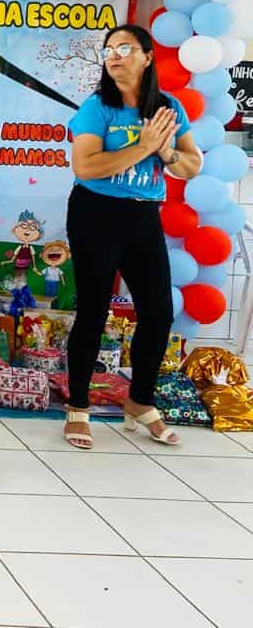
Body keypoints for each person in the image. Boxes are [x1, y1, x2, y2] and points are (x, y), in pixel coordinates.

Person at [64, 24, 201, 450]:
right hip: (95, 212)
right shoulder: (98, 107)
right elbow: (85, 167)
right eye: (109, 50)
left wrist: (166, 151)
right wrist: (143, 147)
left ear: (147, 57)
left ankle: (140, 401)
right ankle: (78, 406)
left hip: (143, 216)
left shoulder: (168, 107)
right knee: (93, 311)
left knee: (159, 313)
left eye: (124, 48)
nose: (114, 56)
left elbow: (191, 165)